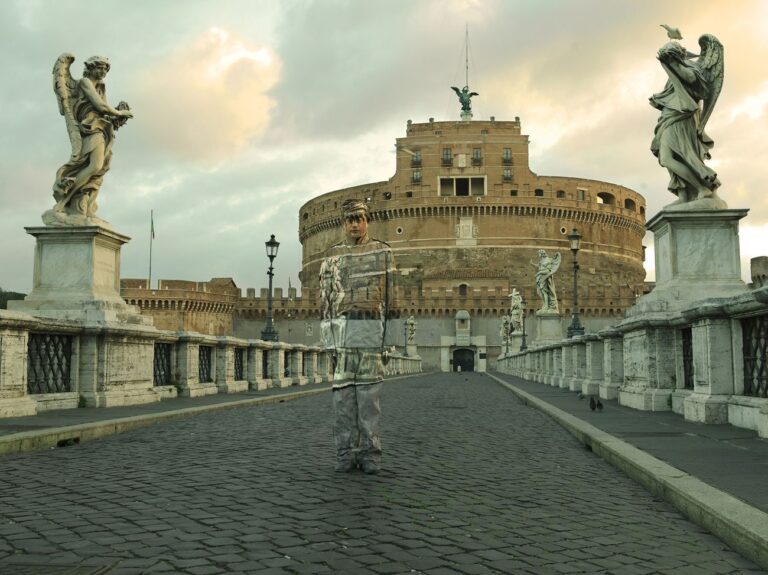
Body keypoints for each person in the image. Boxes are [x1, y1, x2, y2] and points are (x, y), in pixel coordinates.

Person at [319, 199, 394, 474]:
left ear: (367, 221)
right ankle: (345, 454)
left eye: (359, 218)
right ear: (343, 223)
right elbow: (325, 302)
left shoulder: (383, 253)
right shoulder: (331, 256)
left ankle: (371, 455)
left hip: (371, 334)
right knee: (342, 402)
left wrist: (390, 341)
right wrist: (328, 342)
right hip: (341, 336)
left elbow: (391, 298)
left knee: (369, 402)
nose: (354, 223)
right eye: (349, 219)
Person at [52, 55, 133, 220]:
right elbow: (100, 106)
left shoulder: (101, 87)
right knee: (94, 166)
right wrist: (120, 112)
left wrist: (116, 118)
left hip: (102, 128)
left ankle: (86, 207)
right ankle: (62, 203)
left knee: (100, 169)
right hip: (91, 128)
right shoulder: (84, 82)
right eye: (99, 67)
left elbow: (104, 112)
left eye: (105, 68)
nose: (102, 71)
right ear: (90, 68)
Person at [649, 35, 724, 205]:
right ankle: (683, 194)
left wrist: (673, 64)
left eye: (671, 56)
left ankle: (702, 187)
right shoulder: (672, 72)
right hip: (670, 116)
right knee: (668, 157)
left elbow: (691, 80)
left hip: (683, 117)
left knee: (678, 154)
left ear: (677, 55)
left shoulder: (692, 66)